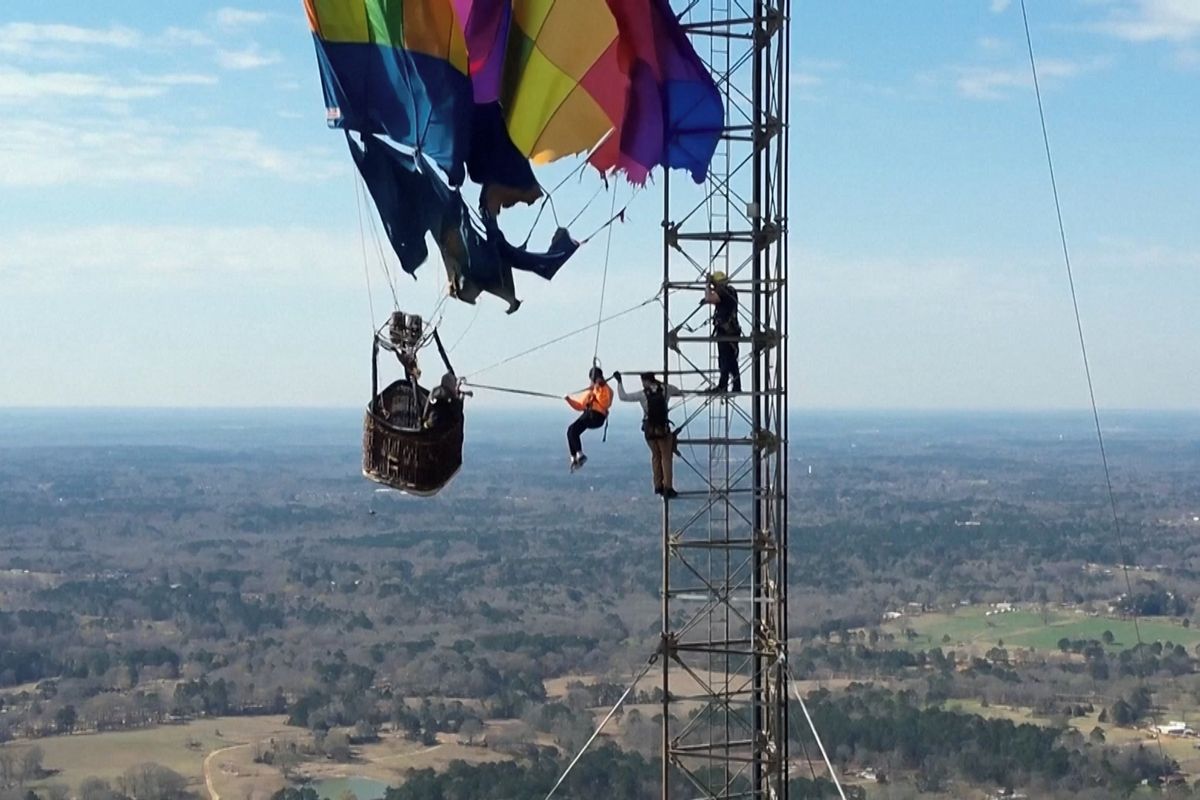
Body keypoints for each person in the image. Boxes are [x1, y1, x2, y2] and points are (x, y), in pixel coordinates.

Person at [614, 371, 681, 498]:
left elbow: (623, 397)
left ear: (645, 381)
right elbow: (677, 390)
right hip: (663, 430)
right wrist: (663, 385)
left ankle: (658, 486)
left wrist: (619, 382)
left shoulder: (643, 394)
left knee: (656, 456)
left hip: (649, 431)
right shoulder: (665, 389)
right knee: (666, 458)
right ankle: (668, 487)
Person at [564, 366, 613, 471]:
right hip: (590, 416)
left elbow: (605, 403)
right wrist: (568, 400)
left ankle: (579, 454)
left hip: (596, 416)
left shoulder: (605, 389)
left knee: (574, 429)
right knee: (571, 431)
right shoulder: (591, 391)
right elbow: (580, 405)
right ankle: (575, 457)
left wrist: (598, 389)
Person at [701, 271, 741, 393]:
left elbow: (710, 298)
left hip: (726, 331)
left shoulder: (724, 292)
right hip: (731, 330)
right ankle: (735, 386)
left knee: (725, 359)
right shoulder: (731, 291)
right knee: (731, 360)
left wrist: (707, 285)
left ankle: (723, 386)